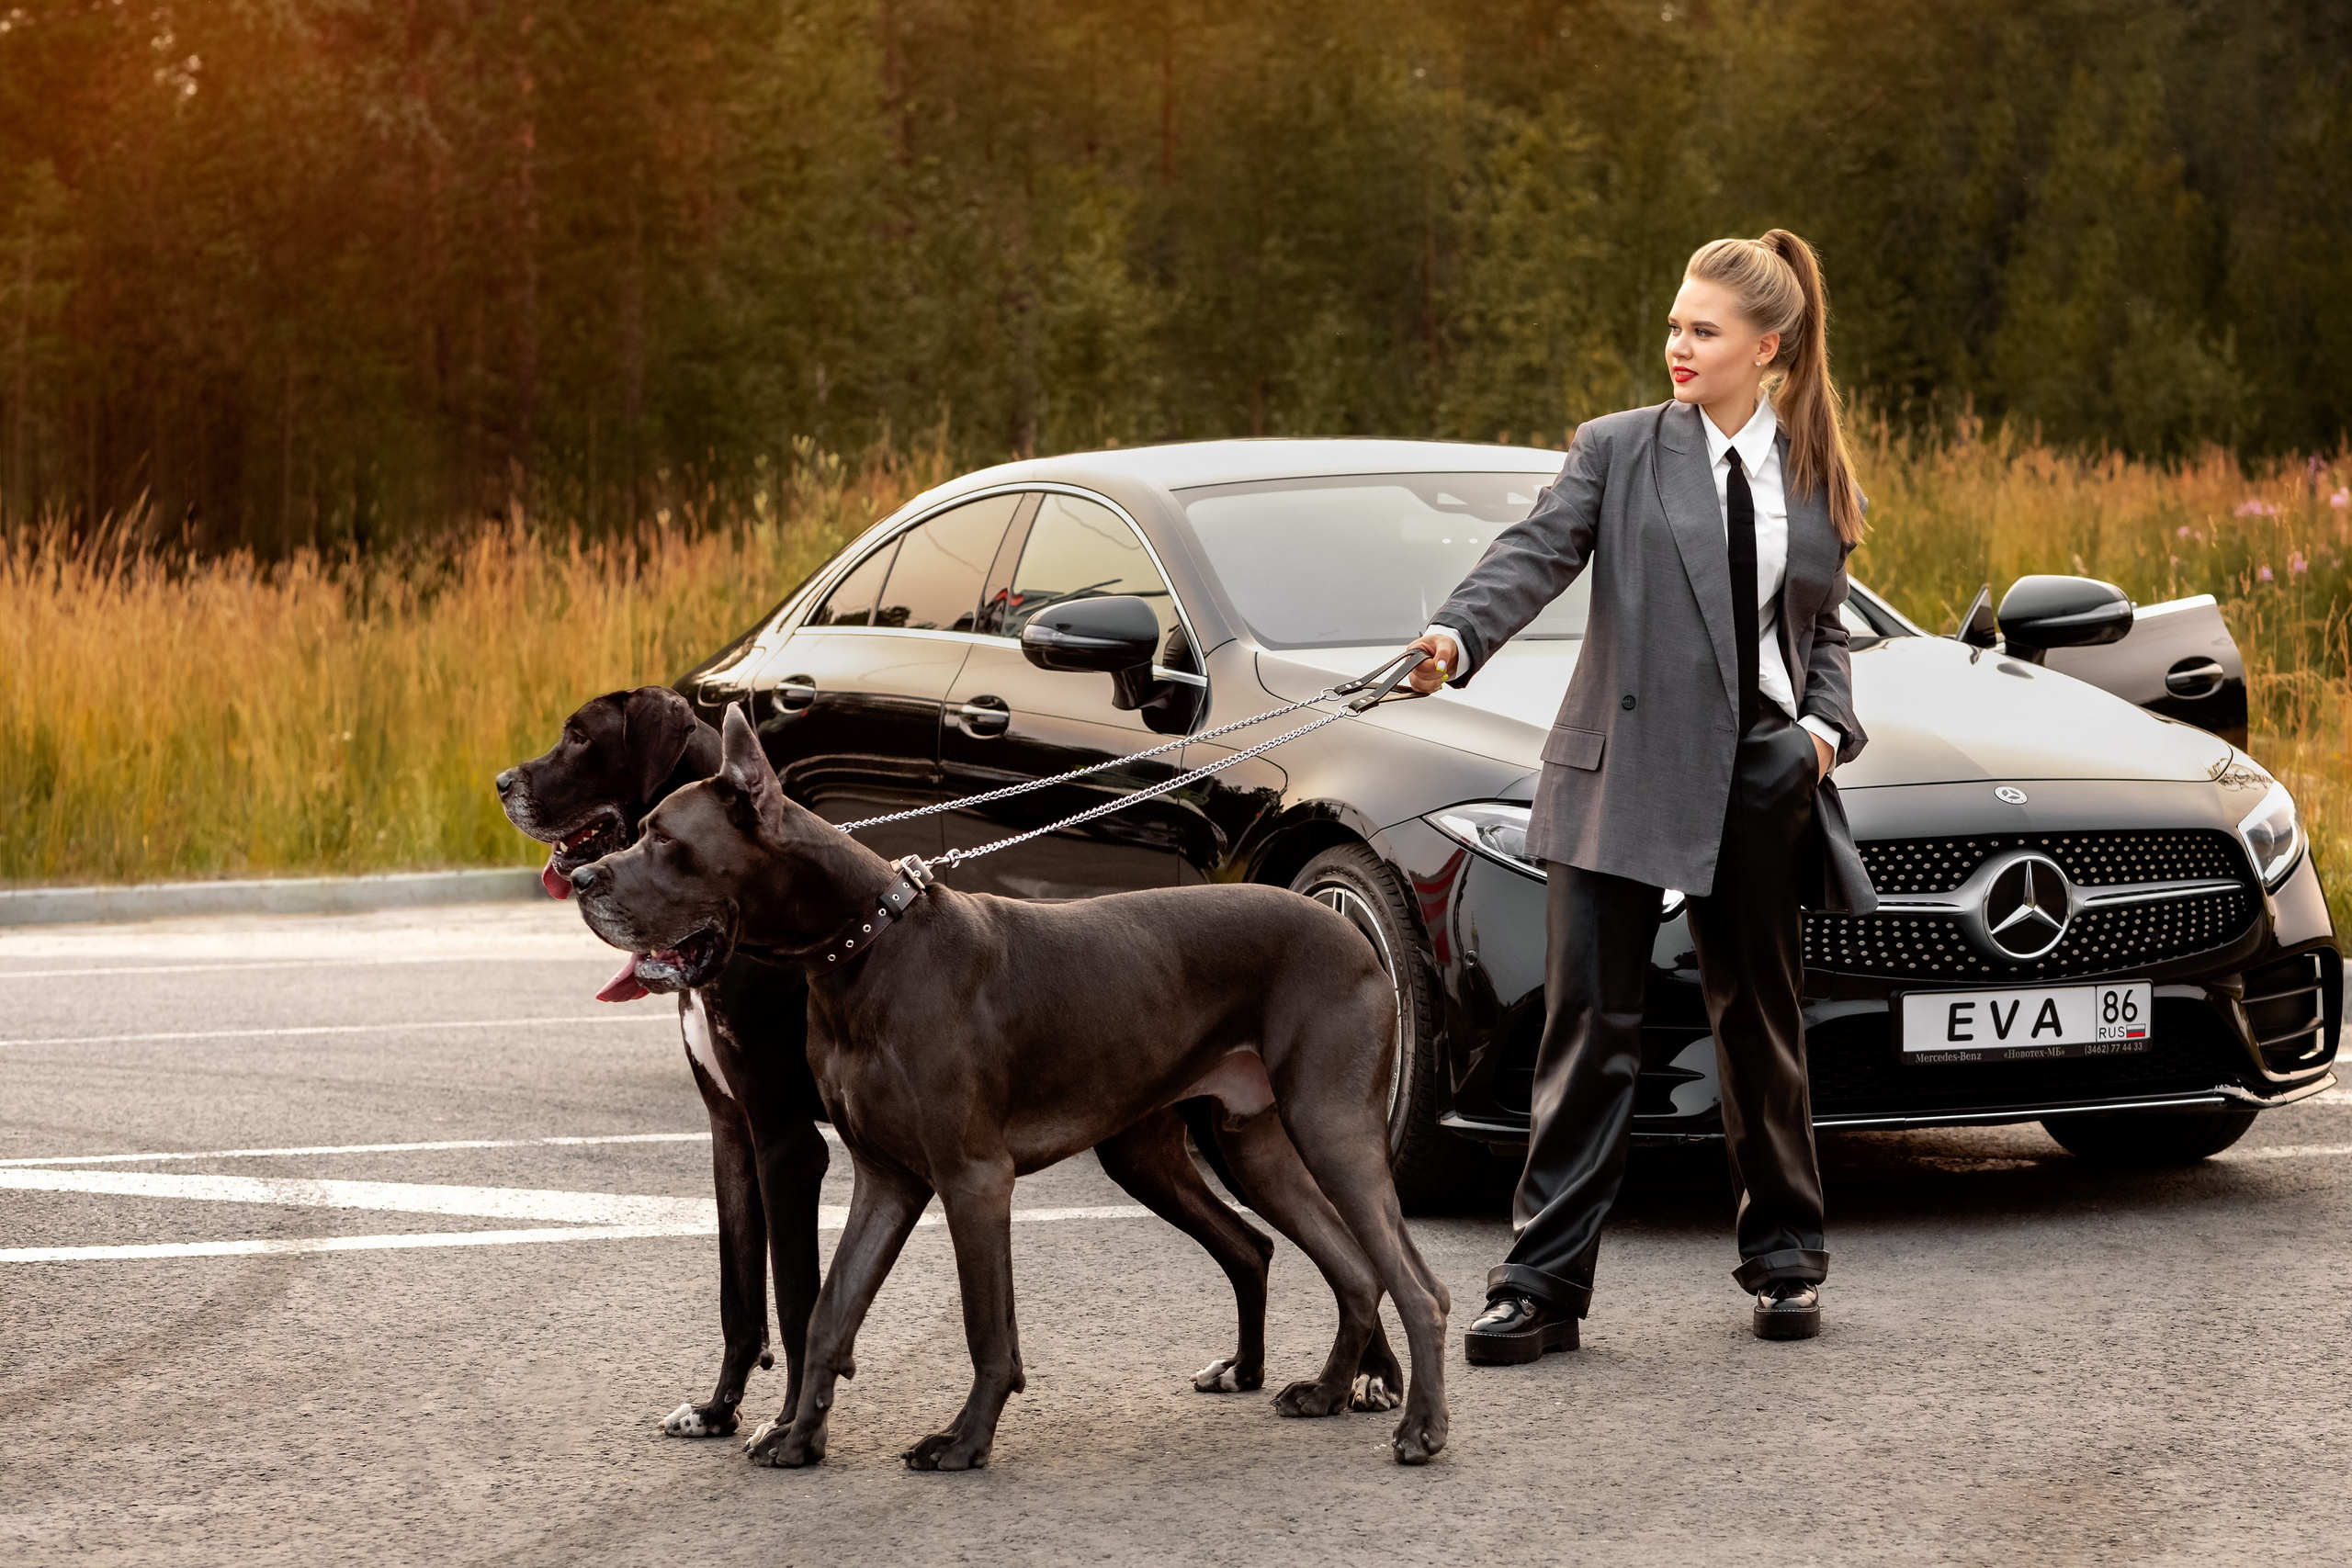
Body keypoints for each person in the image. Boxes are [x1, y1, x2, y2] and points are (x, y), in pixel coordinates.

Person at [1406, 230, 1879, 1356]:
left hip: (1757, 771)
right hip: (1618, 766)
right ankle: (1541, 1288)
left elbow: (1818, 634)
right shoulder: (1617, 450)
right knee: (1591, 1033)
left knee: (1759, 1027)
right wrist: (1452, 637)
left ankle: (1784, 1263)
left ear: (1766, 347)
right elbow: (1533, 553)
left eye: (1701, 330)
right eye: (1673, 323)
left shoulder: (1812, 479)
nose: (1676, 344)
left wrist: (1816, 738)